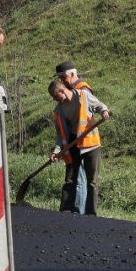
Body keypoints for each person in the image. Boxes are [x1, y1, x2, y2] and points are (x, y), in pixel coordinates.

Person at [47, 80, 110, 215]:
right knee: (70, 179)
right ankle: (65, 210)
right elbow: (60, 136)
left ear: (62, 91)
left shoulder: (83, 96)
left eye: (55, 96)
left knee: (92, 180)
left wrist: (104, 111)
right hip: (72, 145)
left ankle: (91, 213)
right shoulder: (59, 110)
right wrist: (56, 153)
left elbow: (99, 105)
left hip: (90, 143)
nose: (54, 99)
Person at [55, 60, 93, 214]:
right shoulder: (69, 91)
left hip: (83, 140)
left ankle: (78, 211)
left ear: (71, 74)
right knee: (72, 175)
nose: (62, 81)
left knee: (80, 176)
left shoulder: (83, 90)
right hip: (72, 139)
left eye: (63, 77)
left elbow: (87, 113)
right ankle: (69, 209)